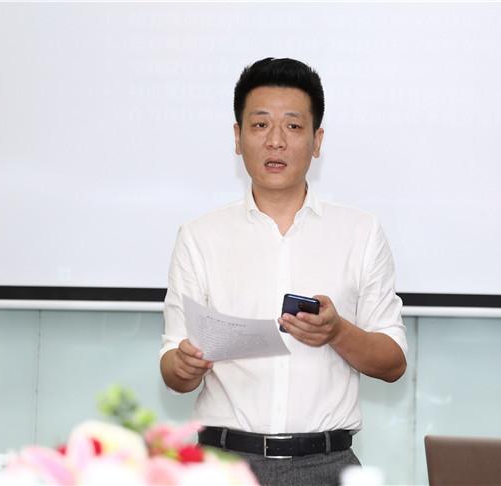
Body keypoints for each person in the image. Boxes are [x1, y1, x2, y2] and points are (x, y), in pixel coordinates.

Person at [160, 57, 407, 485]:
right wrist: (183, 366)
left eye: (293, 126)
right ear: (238, 138)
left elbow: (393, 363)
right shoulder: (200, 236)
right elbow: (172, 366)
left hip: (325, 465)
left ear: (317, 140)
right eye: (260, 125)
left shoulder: (360, 232)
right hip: (223, 465)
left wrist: (336, 332)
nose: (275, 141)